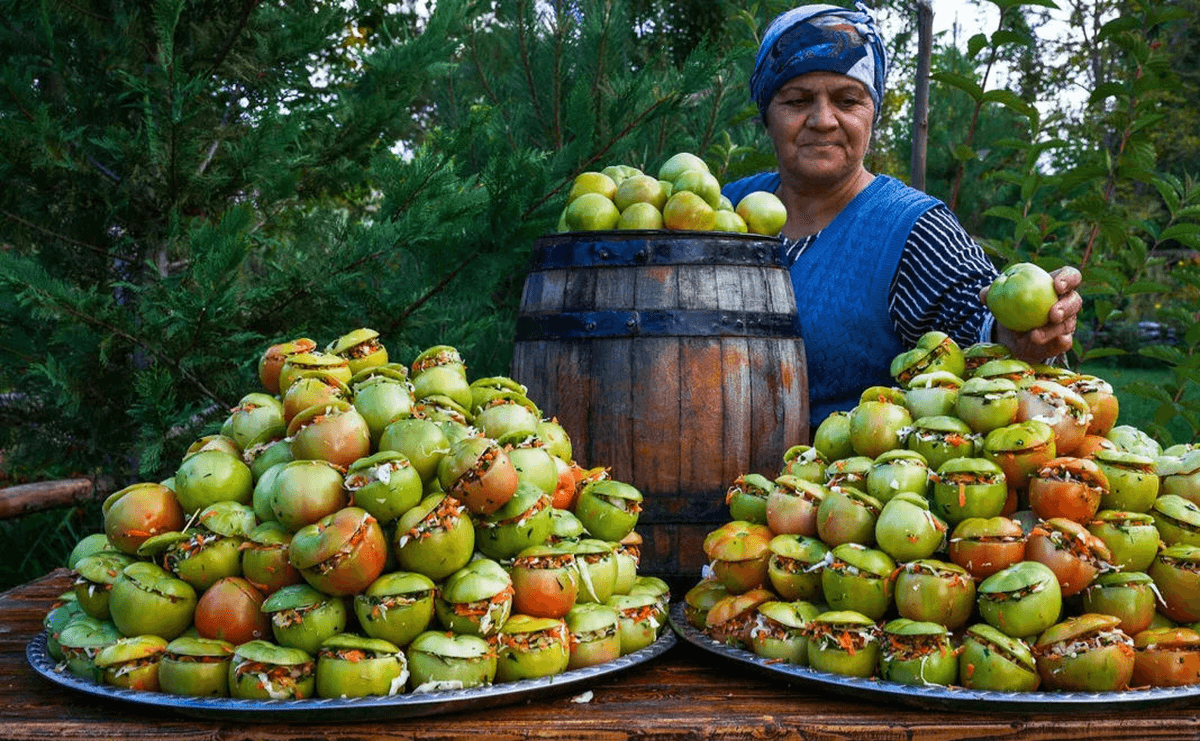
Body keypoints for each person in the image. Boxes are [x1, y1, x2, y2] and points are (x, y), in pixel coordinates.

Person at [721, 1, 1082, 427]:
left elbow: (981, 329)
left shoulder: (910, 228)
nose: (822, 120)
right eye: (797, 100)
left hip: (842, 485)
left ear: (872, 112)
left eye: (847, 99)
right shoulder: (728, 209)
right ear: (768, 115)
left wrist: (1027, 332)